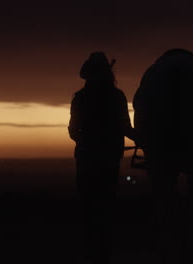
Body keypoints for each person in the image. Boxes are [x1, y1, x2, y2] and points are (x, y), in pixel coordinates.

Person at [132, 49, 193, 264]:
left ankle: (167, 244)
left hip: (159, 144)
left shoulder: (153, 74)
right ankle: (190, 241)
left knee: (164, 199)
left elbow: (140, 107)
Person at [69, 51, 135, 264]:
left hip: (86, 160)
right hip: (109, 160)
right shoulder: (117, 97)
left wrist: (87, 142)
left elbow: (73, 131)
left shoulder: (80, 98)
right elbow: (126, 128)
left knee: (88, 207)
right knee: (107, 207)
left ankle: (91, 252)